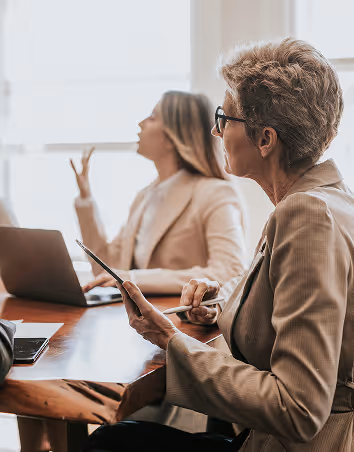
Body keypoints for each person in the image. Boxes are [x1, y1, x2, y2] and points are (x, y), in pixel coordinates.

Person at [84, 38, 354, 452]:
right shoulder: (331, 200)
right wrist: (222, 303)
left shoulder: (305, 216)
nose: (215, 130)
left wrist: (172, 340)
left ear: (265, 139)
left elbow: (299, 409)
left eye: (224, 117)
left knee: (107, 443)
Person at [71, 91, 247, 294]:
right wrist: (86, 201)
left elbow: (229, 272)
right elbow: (107, 270)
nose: (141, 123)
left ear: (174, 136)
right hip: (135, 320)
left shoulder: (215, 194)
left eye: (153, 117)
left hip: (183, 321)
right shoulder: (144, 198)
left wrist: (134, 279)